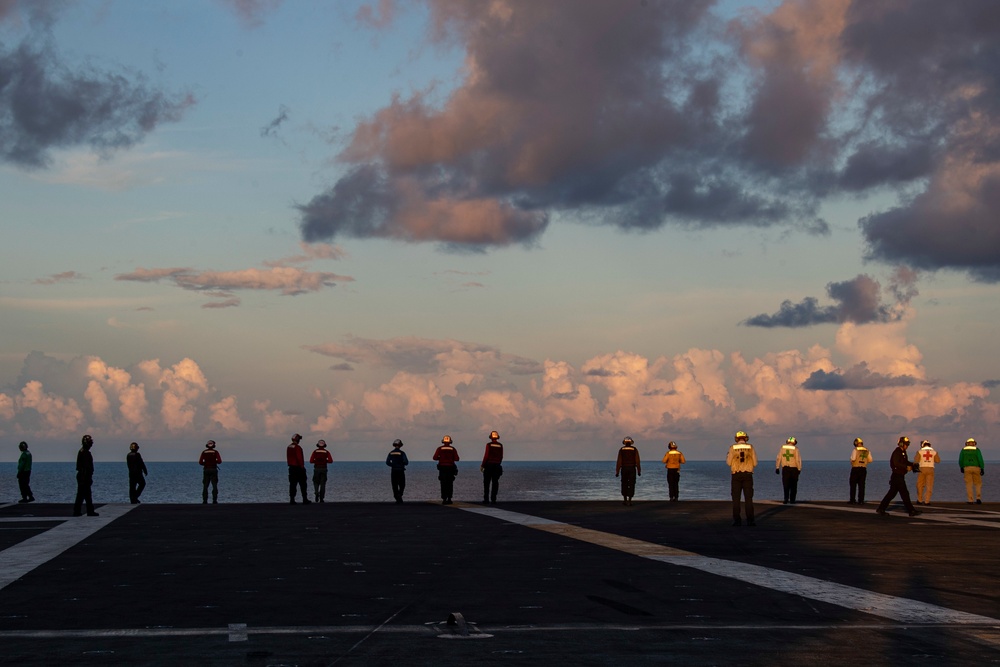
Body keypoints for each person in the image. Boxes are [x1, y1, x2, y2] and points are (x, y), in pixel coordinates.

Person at [876, 436, 920, 517]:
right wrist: (906, 467)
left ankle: (881, 508)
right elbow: (897, 463)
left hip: (899, 476)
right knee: (904, 493)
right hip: (897, 476)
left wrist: (912, 464)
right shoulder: (897, 452)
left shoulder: (903, 452)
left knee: (891, 494)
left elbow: (904, 461)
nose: (907, 446)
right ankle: (911, 510)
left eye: (907, 444)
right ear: (901, 444)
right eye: (906, 444)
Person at [727, 430, 757, 526]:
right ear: (745, 438)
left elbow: (728, 462)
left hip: (736, 475)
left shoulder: (732, 447)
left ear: (736, 438)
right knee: (748, 498)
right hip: (748, 475)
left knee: (736, 499)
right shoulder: (750, 447)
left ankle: (737, 520)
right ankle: (750, 520)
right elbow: (755, 462)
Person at [73, 434, 98, 517]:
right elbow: (85, 466)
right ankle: (80, 511)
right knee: (82, 494)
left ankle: (88, 510)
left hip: (84, 476)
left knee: (86, 494)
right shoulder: (84, 453)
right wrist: (87, 477)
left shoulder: (83, 452)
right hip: (84, 476)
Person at [775, 436, 802, 504]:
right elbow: (798, 460)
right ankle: (792, 500)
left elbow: (779, 458)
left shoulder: (782, 448)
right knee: (793, 485)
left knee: (786, 484)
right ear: (794, 442)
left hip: (785, 468)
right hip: (794, 468)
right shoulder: (795, 449)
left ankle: (786, 498)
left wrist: (777, 467)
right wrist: (799, 468)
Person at [433, 435, 459, 505]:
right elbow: (457, 459)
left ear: (443, 441)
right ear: (450, 441)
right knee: (450, 484)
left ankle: (444, 499)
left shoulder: (439, 449)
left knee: (443, 483)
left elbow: (434, 458)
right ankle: (449, 499)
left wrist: (440, 458)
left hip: (442, 468)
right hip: (450, 468)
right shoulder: (453, 449)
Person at [615, 437, 641, 506]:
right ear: (631, 442)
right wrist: (639, 470)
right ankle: (629, 500)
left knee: (624, 483)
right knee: (632, 484)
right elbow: (637, 460)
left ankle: (625, 500)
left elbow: (619, 461)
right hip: (632, 468)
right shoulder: (634, 449)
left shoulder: (621, 450)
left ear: (625, 442)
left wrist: (617, 471)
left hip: (624, 468)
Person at [287, 433, 311, 505]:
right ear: (297, 440)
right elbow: (299, 458)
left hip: (291, 468)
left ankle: (292, 499)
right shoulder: (298, 448)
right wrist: (302, 467)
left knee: (292, 484)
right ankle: (304, 499)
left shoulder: (289, 447)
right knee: (303, 484)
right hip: (298, 468)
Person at [914, 440, 941, 505]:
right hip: (930, 469)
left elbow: (916, 460)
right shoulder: (934, 452)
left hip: (922, 469)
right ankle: (927, 501)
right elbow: (938, 461)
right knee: (929, 485)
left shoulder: (919, 452)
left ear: (923, 445)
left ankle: (920, 500)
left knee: (920, 485)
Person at [959, 437, 985, 504]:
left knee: (969, 484)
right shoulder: (977, 450)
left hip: (967, 468)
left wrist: (961, 467)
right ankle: (978, 498)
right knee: (978, 484)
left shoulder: (963, 450)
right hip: (976, 468)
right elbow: (980, 459)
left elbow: (961, 459)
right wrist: (982, 468)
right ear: (974, 443)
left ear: (967, 443)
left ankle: (970, 500)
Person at [481, 430, 504, 504]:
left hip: (489, 466)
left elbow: (486, 456)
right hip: (497, 466)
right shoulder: (500, 445)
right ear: (497, 437)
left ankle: (486, 499)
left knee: (486, 483)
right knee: (495, 483)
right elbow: (501, 456)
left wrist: (482, 465)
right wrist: (498, 463)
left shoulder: (489, 445)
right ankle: (493, 499)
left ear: (490, 437)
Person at [848, 437, 872, 504]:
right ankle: (861, 500)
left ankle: (852, 500)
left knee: (853, 484)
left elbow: (853, 458)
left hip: (855, 468)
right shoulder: (867, 450)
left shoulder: (855, 450)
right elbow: (870, 460)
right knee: (862, 485)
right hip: (863, 469)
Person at [385, 439, 409, 503]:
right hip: (400, 470)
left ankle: (397, 497)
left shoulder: (391, 453)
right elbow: (406, 462)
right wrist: (401, 464)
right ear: (400, 445)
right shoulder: (402, 453)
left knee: (394, 484)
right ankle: (400, 495)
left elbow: (387, 462)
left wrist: (393, 465)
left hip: (394, 471)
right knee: (402, 484)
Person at [199, 439, 222, 504]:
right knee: (214, 485)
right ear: (214, 445)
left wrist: (206, 463)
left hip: (206, 469)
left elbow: (200, 462)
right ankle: (214, 500)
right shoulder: (215, 452)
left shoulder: (204, 452)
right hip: (214, 469)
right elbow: (220, 461)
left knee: (205, 486)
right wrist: (214, 462)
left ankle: (204, 500)